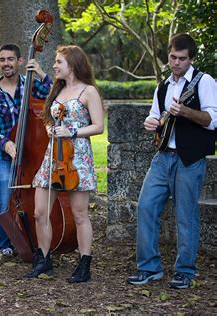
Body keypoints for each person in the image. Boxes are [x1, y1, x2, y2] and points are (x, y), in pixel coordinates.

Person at [126, 33, 217, 289]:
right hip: (163, 156)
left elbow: (213, 120)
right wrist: (150, 123)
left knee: (185, 215)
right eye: (173, 57)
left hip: (189, 159)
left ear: (191, 59)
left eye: (182, 59)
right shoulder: (164, 85)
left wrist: (186, 111)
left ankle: (185, 271)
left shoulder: (204, 81)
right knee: (145, 207)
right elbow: (156, 117)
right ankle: (149, 268)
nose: (176, 63)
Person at [24, 45, 104, 281]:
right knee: (39, 213)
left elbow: (99, 126)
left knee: (79, 214)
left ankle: (84, 264)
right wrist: (50, 127)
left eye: (59, 62)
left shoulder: (88, 91)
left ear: (73, 64)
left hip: (77, 156)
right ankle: (44, 260)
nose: (55, 65)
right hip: (53, 156)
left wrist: (71, 131)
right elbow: (49, 117)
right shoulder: (57, 90)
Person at [0, 43, 52, 256]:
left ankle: (34, 238)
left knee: (33, 196)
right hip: (4, 155)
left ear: (19, 61)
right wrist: (6, 143)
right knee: (4, 197)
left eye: (10, 59)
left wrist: (41, 73)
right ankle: (6, 243)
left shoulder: (30, 85)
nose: (6, 64)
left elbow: (54, 93)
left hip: (31, 152)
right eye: (2, 60)